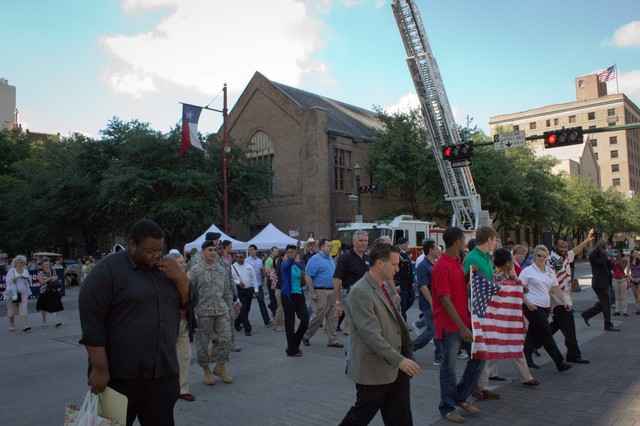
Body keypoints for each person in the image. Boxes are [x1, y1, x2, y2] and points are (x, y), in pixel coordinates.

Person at [79, 219, 190, 426]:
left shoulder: (167, 269)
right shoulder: (108, 271)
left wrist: (179, 277)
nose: (156, 255)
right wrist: (99, 368)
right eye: (150, 250)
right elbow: (92, 322)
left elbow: (188, 302)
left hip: (162, 372)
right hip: (120, 375)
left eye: (160, 249)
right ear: (132, 245)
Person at [339, 243, 419, 426]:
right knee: (359, 417)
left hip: (396, 369)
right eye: (394, 264)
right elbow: (371, 335)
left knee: (401, 419)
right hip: (374, 370)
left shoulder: (383, 286)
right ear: (380, 263)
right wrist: (400, 360)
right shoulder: (360, 291)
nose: (398, 269)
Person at [431, 227, 485, 424]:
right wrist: (462, 327)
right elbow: (445, 300)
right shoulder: (440, 266)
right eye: (463, 240)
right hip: (450, 326)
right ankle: (447, 407)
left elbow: (458, 290)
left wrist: (469, 278)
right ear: (455, 241)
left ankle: (460, 397)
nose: (465, 243)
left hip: (463, 322)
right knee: (449, 368)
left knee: (480, 356)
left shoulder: (456, 262)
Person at [473, 248, 539, 400]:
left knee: (496, 348)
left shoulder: (493, 275)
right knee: (510, 346)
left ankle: (485, 382)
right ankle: (524, 377)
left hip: (495, 317)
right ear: (508, 262)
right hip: (502, 318)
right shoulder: (501, 277)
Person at [519, 245, 573, 372]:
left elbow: (555, 288)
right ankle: (560, 362)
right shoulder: (527, 271)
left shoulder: (549, 271)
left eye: (544, 256)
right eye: (539, 255)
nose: (542, 258)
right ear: (534, 255)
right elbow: (519, 289)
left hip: (545, 307)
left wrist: (565, 301)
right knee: (546, 333)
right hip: (532, 306)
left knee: (532, 333)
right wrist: (526, 302)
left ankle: (526, 360)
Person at [190, 232, 234, 386]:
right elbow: (189, 292)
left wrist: (230, 310)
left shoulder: (221, 269)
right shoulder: (195, 270)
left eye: (215, 250)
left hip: (221, 310)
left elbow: (226, 292)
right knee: (203, 343)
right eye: (210, 250)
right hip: (203, 312)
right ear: (203, 252)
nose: (213, 253)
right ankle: (206, 369)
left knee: (226, 339)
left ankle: (220, 366)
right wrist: (192, 313)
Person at [548, 232, 594, 364]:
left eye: (565, 247)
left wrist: (586, 241)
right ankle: (573, 354)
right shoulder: (551, 260)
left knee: (556, 324)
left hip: (566, 296)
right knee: (569, 327)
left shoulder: (565, 257)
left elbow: (574, 251)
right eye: (561, 247)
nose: (564, 249)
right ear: (555, 246)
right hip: (558, 298)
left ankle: (534, 343)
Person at [165, 250, 198, 402]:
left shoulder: (186, 279)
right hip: (166, 325)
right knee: (165, 357)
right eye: (179, 264)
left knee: (185, 356)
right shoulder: (163, 281)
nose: (183, 266)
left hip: (184, 323)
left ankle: (182, 388)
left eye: (183, 263)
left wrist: (194, 324)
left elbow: (192, 303)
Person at [303, 238, 342, 348]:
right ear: (321, 247)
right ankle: (305, 335)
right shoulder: (315, 259)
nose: (331, 248)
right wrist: (312, 292)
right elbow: (308, 276)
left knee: (333, 317)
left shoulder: (330, 258)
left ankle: (332, 340)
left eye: (331, 246)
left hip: (332, 291)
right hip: (321, 291)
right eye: (328, 246)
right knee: (317, 317)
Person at [411, 238, 442, 365]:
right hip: (428, 303)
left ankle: (439, 356)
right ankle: (412, 346)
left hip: (434, 302)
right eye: (436, 249)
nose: (438, 251)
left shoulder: (432, 264)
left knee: (439, 329)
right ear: (430, 250)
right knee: (433, 330)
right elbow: (423, 286)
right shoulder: (423, 266)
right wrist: (432, 302)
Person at [334, 230, 370, 335]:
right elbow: (336, 278)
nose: (364, 243)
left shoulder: (368, 259)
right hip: (350, 295)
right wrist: (338, 302)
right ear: (354, 242)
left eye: (366, 240)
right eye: (361, 240)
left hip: (366, 295)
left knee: (365, 328)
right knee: (352, 330)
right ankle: (351, 351)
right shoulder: (346, 258)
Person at [582, 240, 620, 331]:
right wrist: (604, 255)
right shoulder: (593, 255)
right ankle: (608, 324)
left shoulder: (604, 255)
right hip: (599, 283)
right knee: (606, 304)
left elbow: (610, 266)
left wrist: (610, 259)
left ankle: (587, 314)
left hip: (606, 282)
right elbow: (601, 263)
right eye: (603, 247)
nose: (604, 249)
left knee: (605, 303)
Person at [280, 242, 309, 357]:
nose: (290, 255)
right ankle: (292, 349)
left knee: (305, 319)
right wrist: (297, 248)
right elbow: (290, 262)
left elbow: (302, 283)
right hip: (288, 296)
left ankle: (294, 345)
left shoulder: (299, 266)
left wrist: (303, 276)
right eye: (288, 253)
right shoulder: (284, 265)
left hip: (299, 294)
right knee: (290, 322)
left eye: (293, 253)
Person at [231, 251, 259, 336]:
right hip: (239, 291)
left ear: (244, 258)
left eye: (241, 257)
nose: (239, 258)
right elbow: (231, 279)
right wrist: (238, 282)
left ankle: (237, 322)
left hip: (249, 290)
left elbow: (254, 279)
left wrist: (256, 290)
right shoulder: (232, 267)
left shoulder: (249, 266)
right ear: (235, 257)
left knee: (247, 309)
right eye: (237, 257)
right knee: (243, 308)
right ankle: (247, 328)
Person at [5, 255, 32, 332]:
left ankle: (25, 325)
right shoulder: (11, 271)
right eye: (21, 262)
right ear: (16, 262)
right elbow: (7, 281)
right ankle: (12, 324)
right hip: (12, 292)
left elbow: (30, 282)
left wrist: (27, 279)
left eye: (24, 262)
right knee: (11, 310)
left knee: (23, 308)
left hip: (23, 292)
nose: (23, 263)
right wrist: (17, 278)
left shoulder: (26, 271)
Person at [35, 256, 64, 327]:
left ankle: (56, 321)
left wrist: (52, 278)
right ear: (42, 264)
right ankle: (44, 321)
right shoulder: (40, 272)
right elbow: (42, 282)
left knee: (54, 305)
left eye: (48, 262)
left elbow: (56, 277)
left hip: (53, 289)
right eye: (45, 262)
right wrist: (50, 278)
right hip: (44, 291)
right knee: (43, 307)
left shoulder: (52, 270)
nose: (47, 263)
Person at [394, 237, 414, 321]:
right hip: (402, 283)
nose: (407, 245)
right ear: (400, 244)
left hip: (408, 283)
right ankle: (403, 322)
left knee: (411, 299)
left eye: (407, 243)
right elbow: (396, 270)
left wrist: (412, 281)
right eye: (405, 243)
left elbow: (410, 269)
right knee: (403, 304)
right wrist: (397, 284)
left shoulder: (406, 253)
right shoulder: (397, 254)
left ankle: (398, 316)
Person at [610, 248, 628, 316]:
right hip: (615, 279)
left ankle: (625, 311)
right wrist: (611, 259)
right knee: (617, 296)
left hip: (622, 279)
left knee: (623, 296)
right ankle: (617, 310)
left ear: (621, 253)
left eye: (617, 253)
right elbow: (611, 268)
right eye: (615, 253)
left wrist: (619, 259)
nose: (616, 254)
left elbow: (622, 267)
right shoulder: (614, 261)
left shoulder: (625, 261)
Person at [625, 247, 640, 315]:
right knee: (636, 295)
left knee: (639, 294)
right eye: (635, 253)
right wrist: (632, 278)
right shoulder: (629, 262)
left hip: (639, 279)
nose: (636, 254)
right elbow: (627, 272)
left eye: (637, 253)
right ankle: (637, 308)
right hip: (632, 279)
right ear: (631, 255)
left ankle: (638, 307)